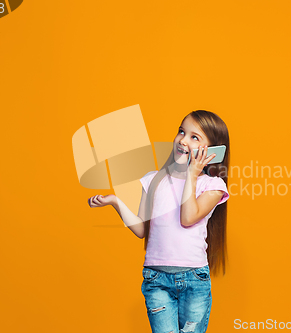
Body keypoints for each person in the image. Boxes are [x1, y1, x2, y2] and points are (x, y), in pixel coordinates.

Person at [88, 110, 230, 333]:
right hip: (156, 279)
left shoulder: (211, 186)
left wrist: (192, 174)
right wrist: (115, 202)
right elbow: (142, 230)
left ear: (212, 151)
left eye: (195, 137)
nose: (182, 140)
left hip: (194, 279)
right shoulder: (153, 180)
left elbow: (188, 217)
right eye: (181, 131)